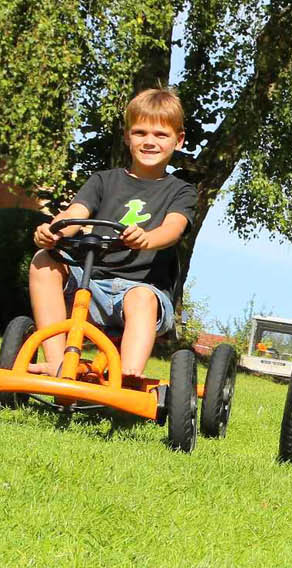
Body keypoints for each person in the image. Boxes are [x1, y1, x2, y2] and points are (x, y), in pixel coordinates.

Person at [27, 88, 196, 381]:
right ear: (128, 136)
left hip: (145, 291)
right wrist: (53, 231)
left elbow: (173, 229)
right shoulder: (104, 181)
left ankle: (127, 376)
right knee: (44, 261)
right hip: (92, 283)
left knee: (140, 297)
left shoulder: (181, 191)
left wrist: (148, 238)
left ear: (178, 140)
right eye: (140, 133)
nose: (149, 142)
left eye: (160, 135)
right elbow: (74, 215)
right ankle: (57, 363)